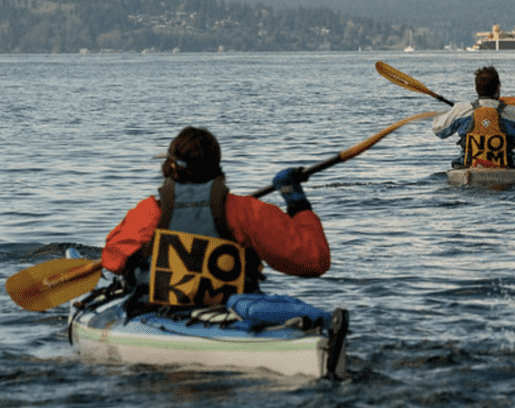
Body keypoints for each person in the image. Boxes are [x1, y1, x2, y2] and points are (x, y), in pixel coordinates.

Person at [100, 126, 346, 340]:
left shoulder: (147, 213)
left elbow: (112, 262)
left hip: (159, 314)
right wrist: (297, 203)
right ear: (216, 168)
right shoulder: (247, 211)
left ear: (171, 168)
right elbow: (314, 260)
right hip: (230, 315)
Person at [432, 66, 515, 169]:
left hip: (469, 164)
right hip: (506, 163)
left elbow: (439, 131)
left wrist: (446, 114)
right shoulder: (512, 112)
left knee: (458, 161)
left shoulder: (461, 109)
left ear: (476, 89)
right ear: (497, 89)